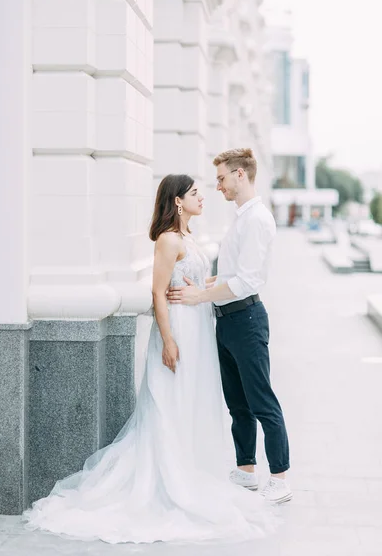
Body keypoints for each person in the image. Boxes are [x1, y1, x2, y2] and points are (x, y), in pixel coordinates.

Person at [22, 174, 277, 544]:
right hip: (178, 331)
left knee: (192, 400)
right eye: (193, 193)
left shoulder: (188, 238)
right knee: (168, 403)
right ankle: (167, 479)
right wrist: (168, 342)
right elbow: (158, 293)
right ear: (177, 201)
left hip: (199, 329)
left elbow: (194, 281)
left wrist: (206, 288)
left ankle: (191, 470)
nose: (202, 197)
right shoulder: (168, 240)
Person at [168, 149, 292, 505]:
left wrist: (199, 297)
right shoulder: (241, 218)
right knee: (237, 403)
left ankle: (280, 477)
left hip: (246, 319)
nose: (217, 185)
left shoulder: (256, 220)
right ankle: (246, 469)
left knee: (261, 400)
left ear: (240, 175)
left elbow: (248, 281)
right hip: (228, 320)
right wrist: (207, 285)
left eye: (221, 178)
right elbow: (232, 275)